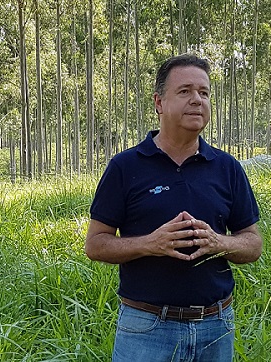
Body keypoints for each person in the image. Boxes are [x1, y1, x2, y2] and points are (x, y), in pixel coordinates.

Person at [85, 54, 263, 362]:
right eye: (185, 91)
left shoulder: (227, 168)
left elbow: (253, 244)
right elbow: (96, 244)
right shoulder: (125, 166)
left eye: (204, 93)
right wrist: (151, 244)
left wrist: (218, 242)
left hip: (216, 326)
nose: (197, 100)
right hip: (146, 328)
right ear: (159, 102)